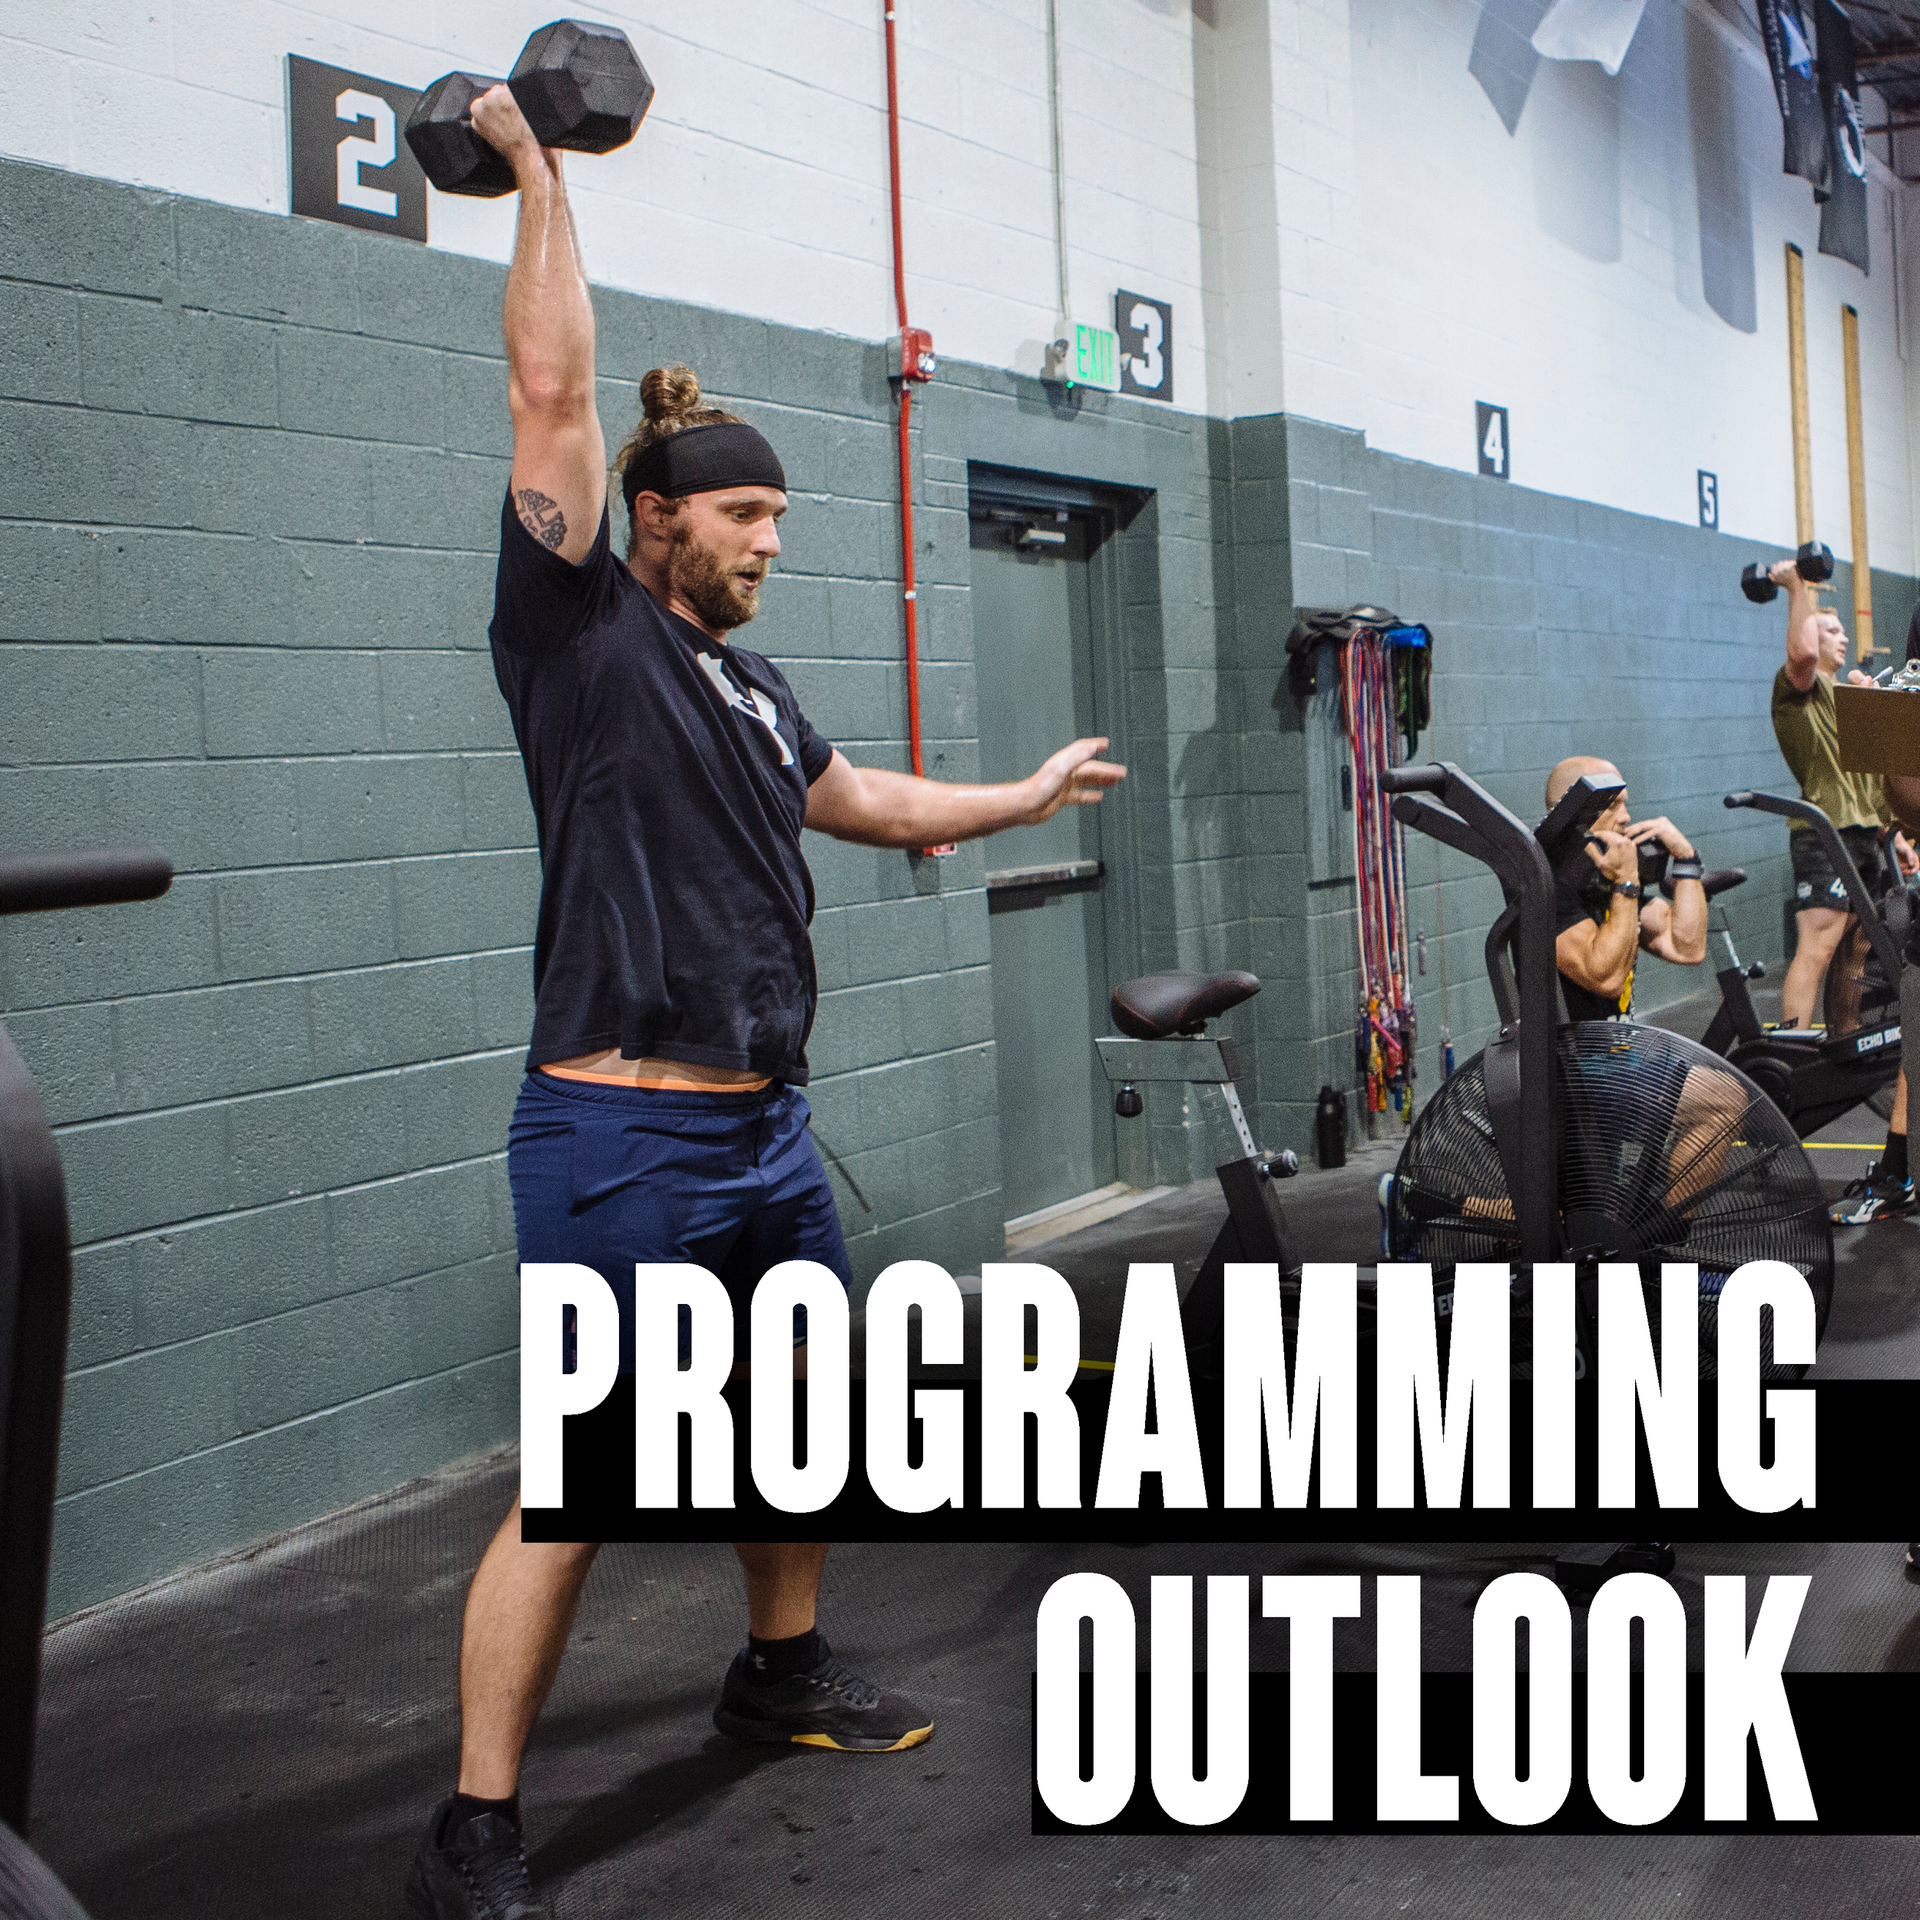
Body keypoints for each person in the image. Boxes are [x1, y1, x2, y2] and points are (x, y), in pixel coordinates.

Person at [405, 86, 1126, 1920]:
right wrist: (544, 179)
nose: (769, 543)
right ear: (649, 523)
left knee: (792, 1420)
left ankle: (776, 1665)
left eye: (778, 520)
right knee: (579, 1482)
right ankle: (477, 1827)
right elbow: (550, 399)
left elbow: (866, 800)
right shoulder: (578, 634)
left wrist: (1024, 797)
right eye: (742, 516)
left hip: (764, 1137)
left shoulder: (746, 687)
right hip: (620, 1133)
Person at [1770, 562, 1916, 1223]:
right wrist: (1793, 581)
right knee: (1820, 943)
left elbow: (1891, 790)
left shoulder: (1856, 697)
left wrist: (1901, 836)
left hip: (1869, 836)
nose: (1832, 634)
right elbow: (1800, 647)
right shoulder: (1801, 692)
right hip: (1825, 836)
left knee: (1867, 955)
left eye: (1836, 626)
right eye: (1825, 626)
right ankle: (1789, 1058)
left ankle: (1849, 1045)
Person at [1544, 757, 1736, 1214]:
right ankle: (1664, 1239)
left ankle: (1414, 1201)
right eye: (1614, 806)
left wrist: (1687, 864)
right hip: (1571, 1069)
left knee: (1574, 1215)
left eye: (1626, 804)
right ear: (1576, 815)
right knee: (1722, 1101)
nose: (1627, 817)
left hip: (1611, 1058)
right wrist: (1627, 883)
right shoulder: (1548, 887)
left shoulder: (1601, 881)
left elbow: (1686, 946)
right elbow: (1604, 976)